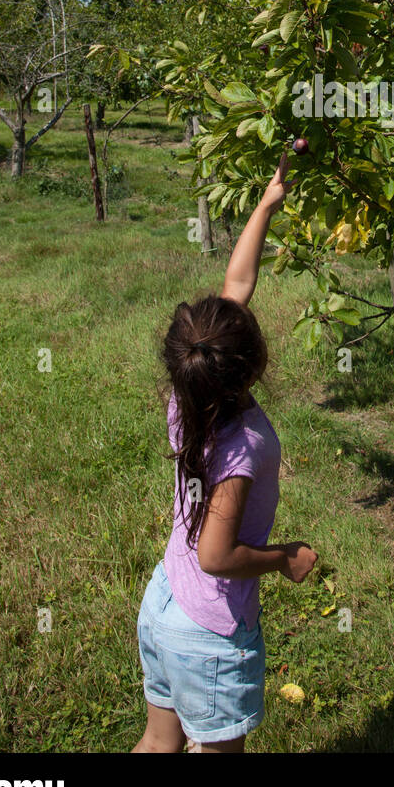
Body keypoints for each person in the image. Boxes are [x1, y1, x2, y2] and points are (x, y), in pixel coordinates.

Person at [133, 151, 318, 753]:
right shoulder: (241, 444)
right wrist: (281, 558)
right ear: (253, 363)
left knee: (159, 744)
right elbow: (215, 555)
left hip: (164, 599)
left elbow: (236, 285)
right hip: (207, 632)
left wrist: (268, 201)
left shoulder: (187, 398)